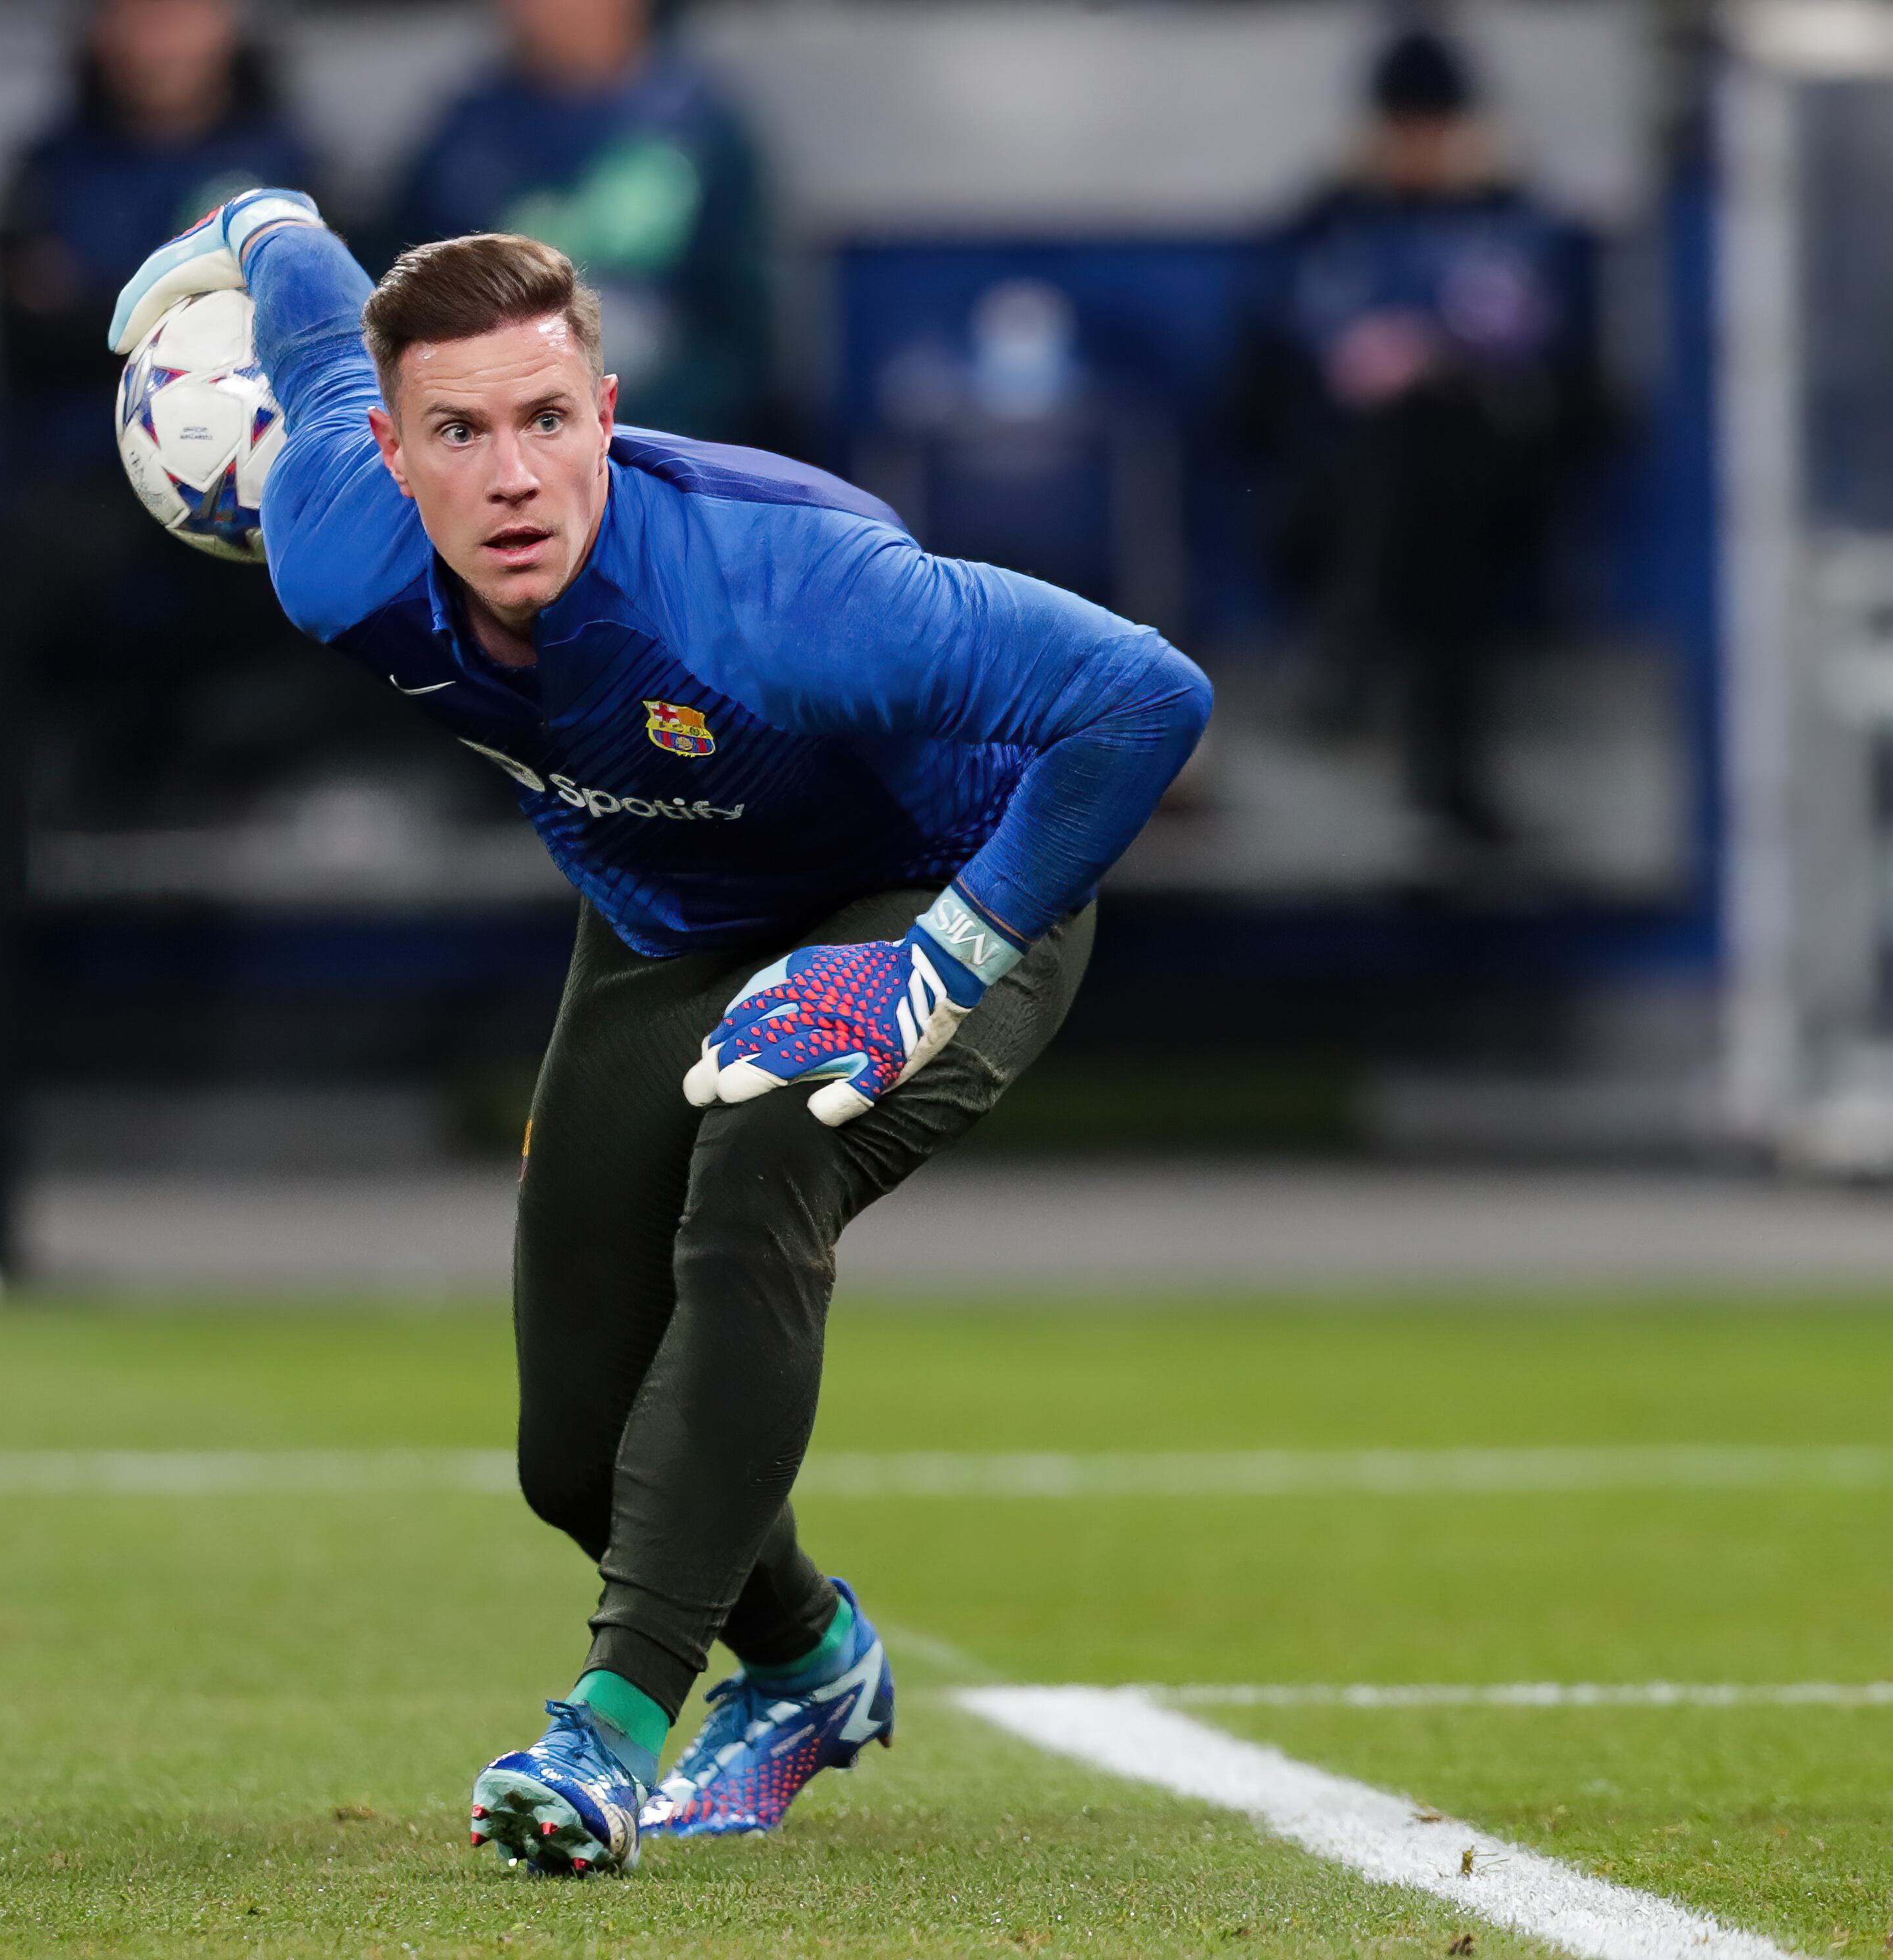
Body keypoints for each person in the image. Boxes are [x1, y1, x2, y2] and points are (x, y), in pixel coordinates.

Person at [106, 195, 1210, 1872]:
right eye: (457, 434)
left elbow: (1143, 694)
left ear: (604, 417)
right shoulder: (336, 548)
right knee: (576, 1460)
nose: (509, 474)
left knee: (767, 1142)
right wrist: (265, 222)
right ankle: (806, 1658)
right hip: (661, 920)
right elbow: (327, 324)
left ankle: (606, 1730)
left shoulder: (785, 591)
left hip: (942, 887)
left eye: (547, 420)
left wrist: (927, 966)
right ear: (385, 458)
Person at [1226, 23, 1602, 861]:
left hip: (1489, 492)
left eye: (1434, 127)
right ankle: (1450, 790)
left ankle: (1347, 649)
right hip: (1336, 497)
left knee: (1436, 451)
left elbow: (1579, 388)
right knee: (1414, 478)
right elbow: (1250, 389)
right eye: (1404, 127)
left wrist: (1446, 362)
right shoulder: (1326, 228)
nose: (1419, 148)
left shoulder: (1517, 224)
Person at [0, 0, 320, 823]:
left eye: (184, 17)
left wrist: (100, 309)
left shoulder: (287, 167)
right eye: (140, 18)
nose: (161, 42)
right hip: (84, 488)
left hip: (262, 486)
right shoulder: (47, 172)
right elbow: (29, 335)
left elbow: (313, 327)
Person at [387, 0, 770, 442]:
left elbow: (741, 333)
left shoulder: (700, 127)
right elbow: (402, 308)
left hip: (664, 441)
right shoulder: (462, 138)